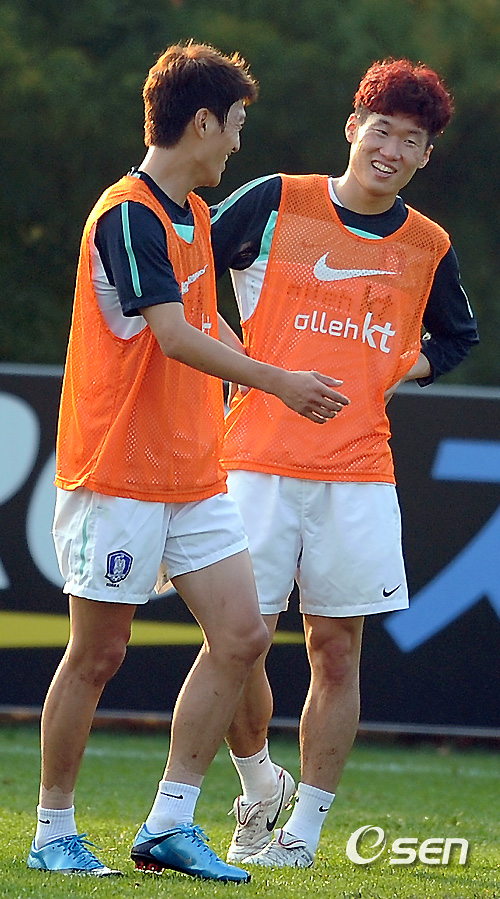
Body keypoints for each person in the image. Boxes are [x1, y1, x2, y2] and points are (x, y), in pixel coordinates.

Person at [26, 41, 347, 881]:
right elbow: (171, 336)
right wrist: (279, 382)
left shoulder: (195, 217)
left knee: (242, 634)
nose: (238, 141)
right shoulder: (127, 214)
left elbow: (208, 323)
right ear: (202, 122)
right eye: (235, 124)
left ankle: (170, 820)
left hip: (192, 473)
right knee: (98, 654)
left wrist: (274, 375)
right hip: (117, 473)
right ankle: (53, 830)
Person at [209, 58, 479, 867]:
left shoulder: (428, 244)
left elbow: (457, 336)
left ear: (426, 155)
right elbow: (184, 268)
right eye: (383, 130)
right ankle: (259, 783)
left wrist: (396, 370)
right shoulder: (274, 199)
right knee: (237, 643)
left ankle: (304, 832)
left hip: (358, 474)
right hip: (254, 460)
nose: (392, 150)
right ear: (353, 127)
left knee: (336, 651)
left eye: (412, 140)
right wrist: (232, 356)